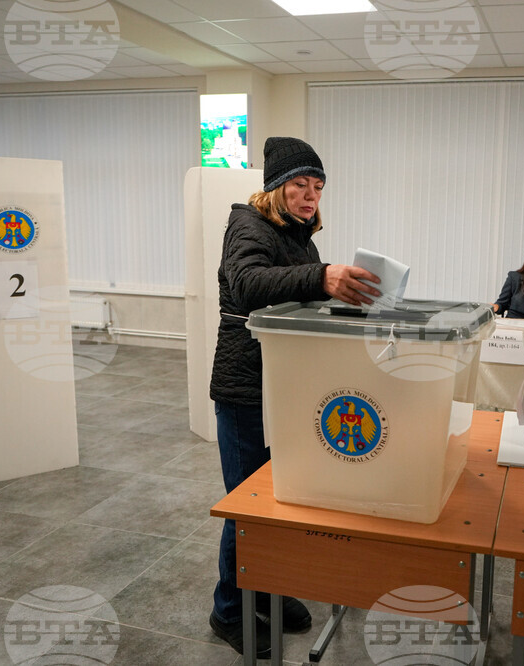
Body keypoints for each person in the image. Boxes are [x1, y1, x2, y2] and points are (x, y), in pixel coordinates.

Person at [208, 137, 381, 657]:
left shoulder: (300, 235)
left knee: (280, 498)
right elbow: (247, 283)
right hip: (246, 388)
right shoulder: (248, 225)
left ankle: (268, 591)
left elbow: (298, 294)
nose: (311, 196)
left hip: (284, 386)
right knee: (248, 507)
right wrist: (322, 276)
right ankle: (229, 610)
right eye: (300, 185)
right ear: (275, 187)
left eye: (319, 187)